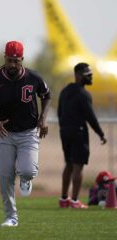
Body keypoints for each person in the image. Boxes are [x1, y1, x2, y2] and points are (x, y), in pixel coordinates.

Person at [0, 41, 51, 227]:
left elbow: (47, 96)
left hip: (28, 132)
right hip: (5, 133)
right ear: (4, 58)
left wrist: (43, 118)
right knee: (4, 177)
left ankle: (26, 180)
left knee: (27, 170)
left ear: (22, 60)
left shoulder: (33, 77)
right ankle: (11, 217)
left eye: (16, 61)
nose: (12, 65)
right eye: (9, 60)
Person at [58, 62, 107, 209]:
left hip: (64, 131)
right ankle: (74, 201)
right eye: (88, 75)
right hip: (78, 132)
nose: (91, 77)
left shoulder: (65, 91)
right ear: (78, 75)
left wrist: (64, 128)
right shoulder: (83, 94)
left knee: (68, 164)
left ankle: (64, 199)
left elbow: (59, 112)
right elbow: (90, 117)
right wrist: (100, 133)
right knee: (78, 166)